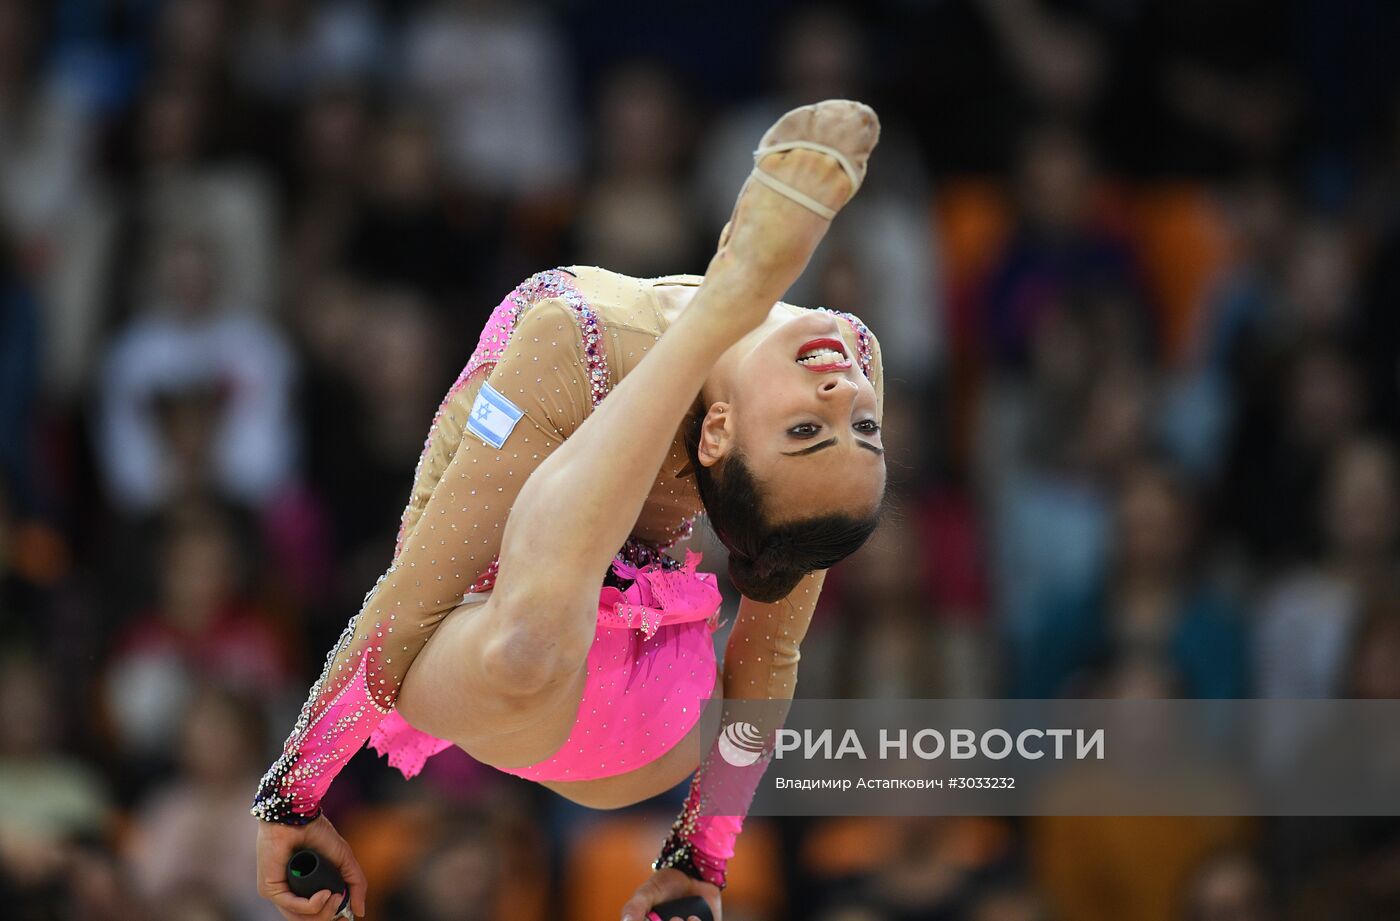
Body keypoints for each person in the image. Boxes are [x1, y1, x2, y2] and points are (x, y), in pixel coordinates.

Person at [252, 100, 886, 921]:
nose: (843, 397)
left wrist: (702, 857)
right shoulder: (854, 352)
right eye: (859, 430)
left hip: (651, 705)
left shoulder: (583, 337)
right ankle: (712, 322)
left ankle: (711, 321)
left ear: (722, 433)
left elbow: (769, 653)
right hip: (509, 664)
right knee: (532, 633)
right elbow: (418, 600)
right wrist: (291, 792)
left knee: (541, 623)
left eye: (808, 431)